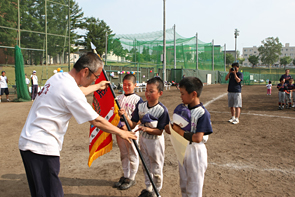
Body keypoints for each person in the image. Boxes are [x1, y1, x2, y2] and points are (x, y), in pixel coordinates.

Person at [18, 52, 137, 197]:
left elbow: (78, 91)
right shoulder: (69, 89)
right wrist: (121, 132)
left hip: (29, 143)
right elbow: (96, 120)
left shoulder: (59, 78)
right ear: (85, 71)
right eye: (95, 76)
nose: (95, 80)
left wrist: (97, 86)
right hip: (41, 148)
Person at [165, 77, 213, 197]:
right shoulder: (183, 109)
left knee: (194, 188)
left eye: (183, 93)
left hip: (195, 151)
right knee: (184, 185)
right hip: (183, 148)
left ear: (194, 94)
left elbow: (197, 138)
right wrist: (171, 129)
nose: (180, 96)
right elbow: (176, 129)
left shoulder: (202, 113)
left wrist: (178, 130)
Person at [123, 77, 170, 197]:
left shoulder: (162, 110)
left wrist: (146, 129)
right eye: (146, 90)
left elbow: (159, 131)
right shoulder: (141, 106)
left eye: (151, 91)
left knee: (156, 167)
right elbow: (133, 123)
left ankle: (156, 192)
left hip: (155, 143)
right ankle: (148, 188)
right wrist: (125, 116)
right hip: (143, 140)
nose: (148, 93)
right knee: (146, 165)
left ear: (160, 93)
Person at [113, 74, 143, 190]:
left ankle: (132, 177)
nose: (126, 87)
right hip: (120, 131)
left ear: (135, 85)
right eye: (124, 84)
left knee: (132, 153)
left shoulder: (138, 100)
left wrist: (130, 128)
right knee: (123, 153)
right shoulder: (118, 98)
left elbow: (140, 118)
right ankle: (125, 175)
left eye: (129, 85)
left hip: (131, 131)